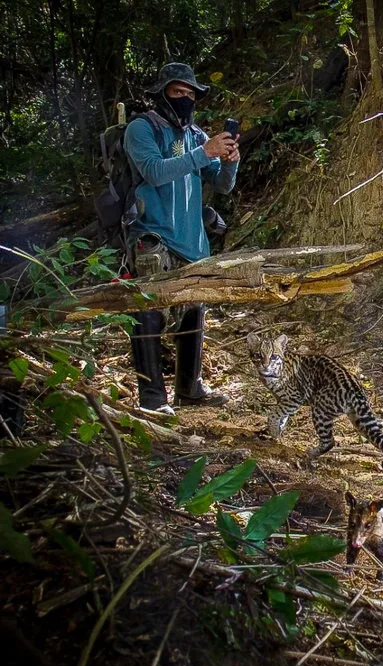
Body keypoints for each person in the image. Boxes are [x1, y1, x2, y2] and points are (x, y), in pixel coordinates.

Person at [124, 63, 240, 415]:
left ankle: (189, 388)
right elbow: (154, 172)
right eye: (178, 92)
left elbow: (222, 185)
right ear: (162, 94)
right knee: (149, 312)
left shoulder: (195, 135)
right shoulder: (141, 129)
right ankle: (152, 399)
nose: (186, 99)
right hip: (152, 236)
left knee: (193, 312)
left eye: (191, 94)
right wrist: (204, 153)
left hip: (193, 242)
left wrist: (230, 160)